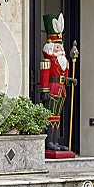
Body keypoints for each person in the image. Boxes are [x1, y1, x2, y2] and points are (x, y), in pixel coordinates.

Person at [40, 13, 77, 151]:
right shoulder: (47, 61)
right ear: (50, 49)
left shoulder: (63, 62)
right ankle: (50, 141)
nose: (61, 50)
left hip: (61, 91)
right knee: (51, 116)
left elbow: (65, 77)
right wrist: (44, 91)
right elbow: (44, 76)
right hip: (52, 90)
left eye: (61, 47)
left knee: (57, 117)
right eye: (58, 47)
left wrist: (70, 80)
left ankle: (56, 141)